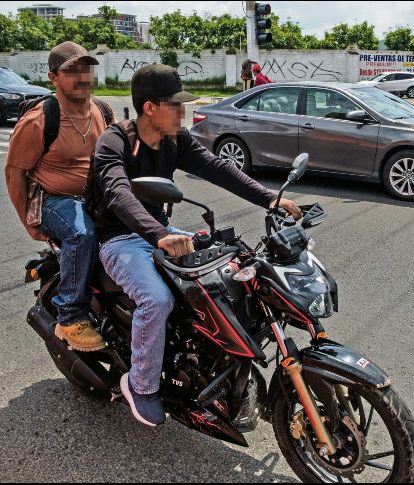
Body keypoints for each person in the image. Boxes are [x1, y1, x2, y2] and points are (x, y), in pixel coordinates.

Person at [90, 64, 302, 427]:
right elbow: (118, 193)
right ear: (150, 108)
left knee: (227, 276)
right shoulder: (115, 141)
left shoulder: (176, 139)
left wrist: (269, 199)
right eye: (175, 104)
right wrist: (157, 234)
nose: (182, 111)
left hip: (160, 229)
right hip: (120, 238)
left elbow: (217, 168)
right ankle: (140, 384)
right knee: (157, 299)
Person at [5, 42, 114, 352]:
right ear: (53, 78)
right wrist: (27, 219)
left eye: (86, 69)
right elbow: (14, 172)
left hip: (94, 196)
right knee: (82, 233)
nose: (82, 77)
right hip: (55, 199)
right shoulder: (40, 120)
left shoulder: (102, 110)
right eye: (72, 71)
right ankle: (70, 317)